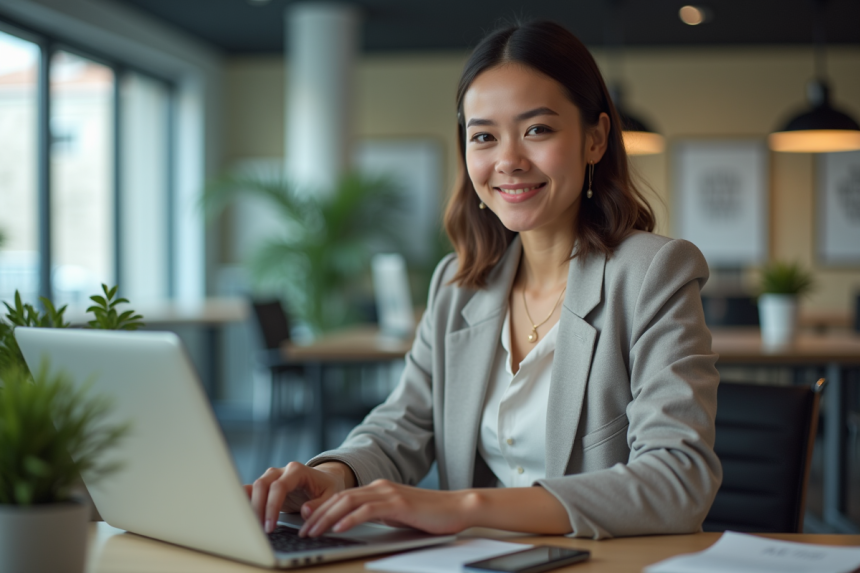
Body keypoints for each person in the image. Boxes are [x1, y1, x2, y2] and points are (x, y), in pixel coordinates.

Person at [248, 20, 721, 540]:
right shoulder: (456, 286)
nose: (508, 161)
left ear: (595, 139)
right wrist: (333, 475)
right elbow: (403, 425)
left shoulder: (653, 273)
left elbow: (679, 479)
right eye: (484, 137)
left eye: (537, 130)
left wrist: (466, 507)